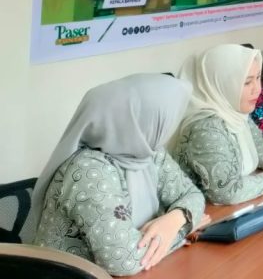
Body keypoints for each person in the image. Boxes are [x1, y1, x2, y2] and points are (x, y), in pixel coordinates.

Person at [25, 74, 206, 276]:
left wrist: (176, 218)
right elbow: (124, 261)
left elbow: (193, 195)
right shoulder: (88, 171)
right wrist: (183, 229)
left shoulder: (149, 154)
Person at [174, 44, 263, 204]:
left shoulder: (236, 115)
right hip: (210, 215)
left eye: (258, 78)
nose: (257, 89)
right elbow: (226, 193)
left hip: (238, 208)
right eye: (247, 82)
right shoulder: (205, 128)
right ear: (221, 84)